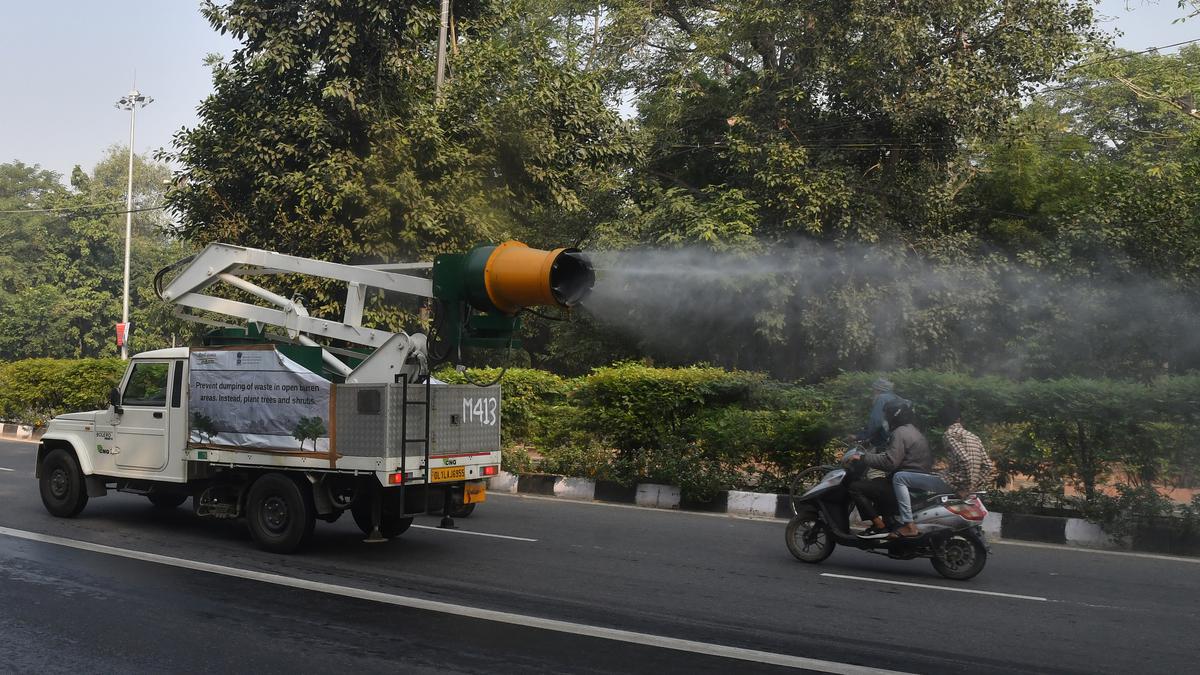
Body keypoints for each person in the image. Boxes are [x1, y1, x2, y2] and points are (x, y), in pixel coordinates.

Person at [891, 402, 996, 538]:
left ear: (942, 422)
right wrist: (973, 485)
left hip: (951, 484)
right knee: (932, 475)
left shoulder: (949, 434)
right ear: (959, 419)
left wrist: (966, 487)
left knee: (899, 477)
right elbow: (988, 465)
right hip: (959, 482)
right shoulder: (973, 437)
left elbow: (965, 459)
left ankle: (909, 525)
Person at [846, 399, 933, 538]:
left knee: (855, 487)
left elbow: (890, 462)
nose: (885, 418)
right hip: (915, 483)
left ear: (894, 415)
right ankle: (888, 521)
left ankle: (880, 526)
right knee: (878, 482)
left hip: (905, 485)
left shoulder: (900, 433)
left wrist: (863, 457)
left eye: (887, 414)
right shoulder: (913, 430)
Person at [849, 378, 903, 449]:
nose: (873, 392)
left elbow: (876, 421)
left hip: (887, 439)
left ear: (879, 389)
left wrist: (859, 436)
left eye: (874, 389)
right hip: (900, 437)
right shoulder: (897, 397)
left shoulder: (881, 398)